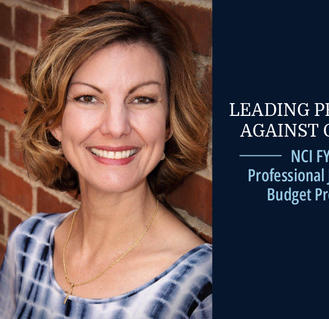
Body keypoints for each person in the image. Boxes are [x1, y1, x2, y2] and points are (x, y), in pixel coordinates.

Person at [0, 1, 211, 318]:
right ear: (55, 120)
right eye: (88, 98)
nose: (116, 127)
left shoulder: (200, 289)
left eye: (142, 99)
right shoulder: (28, 245)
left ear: (169, 121)